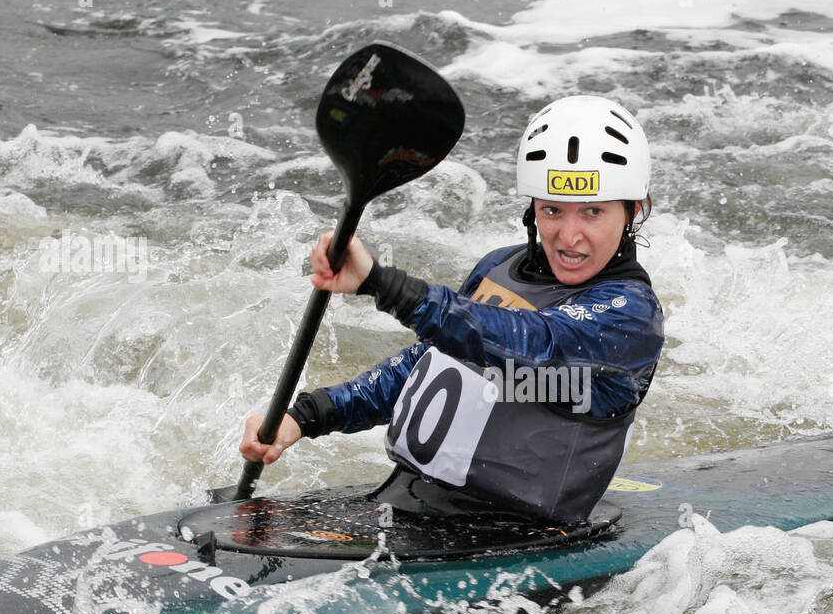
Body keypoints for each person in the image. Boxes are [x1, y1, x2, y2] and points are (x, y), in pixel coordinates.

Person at [239, 95, 664, 523]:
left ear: (634, 210)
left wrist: (382, 285)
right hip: (406, 500)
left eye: (592, 212)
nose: (568, 236)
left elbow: (524, 340)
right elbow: (425, 365)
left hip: (514, 537)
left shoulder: (629, 315)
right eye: (551, 210)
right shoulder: (500, 266)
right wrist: (307, 417)